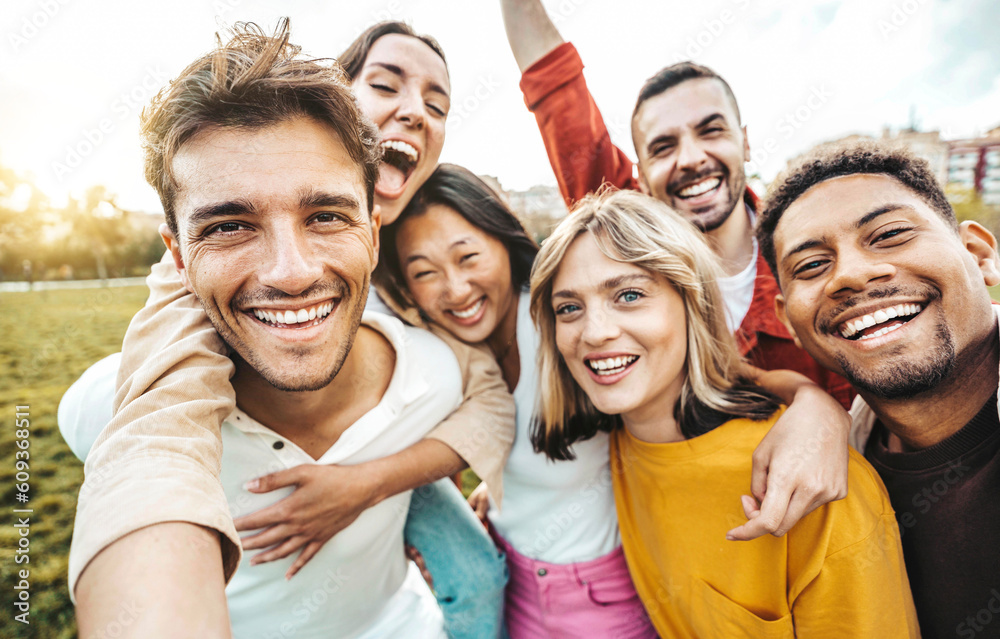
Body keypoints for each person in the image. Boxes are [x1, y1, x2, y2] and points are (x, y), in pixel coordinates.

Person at [65, 21, 513, 638]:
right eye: (229, 226)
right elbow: (157, 438)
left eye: (436, 103)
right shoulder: (162, 328)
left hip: (395, 499)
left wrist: (364, 484)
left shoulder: (434, 225)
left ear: (373, 229)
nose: (292, 271)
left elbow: (481, 386)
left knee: (478, 574)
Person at [380, 164, 861, 637]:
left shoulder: (565, 325)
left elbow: (721, 369)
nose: (456, 288)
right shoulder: (456, 350)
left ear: (503, 242)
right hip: (518, 583)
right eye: (424, 272)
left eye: (468, 258)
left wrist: (816, 406)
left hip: (601, 594)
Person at [529, 188, 920, 637]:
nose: (594, 333)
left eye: (630, 295)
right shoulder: (609, 440)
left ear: (692, 305)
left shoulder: (816, 488)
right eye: (569, 308)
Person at [499, 1, 854, 424]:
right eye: (663, 147)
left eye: (711, 130)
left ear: (744, 143)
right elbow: (559, 98)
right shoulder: (617, 236)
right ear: (642, 177)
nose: (690, 158)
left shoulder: (822, 264)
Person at [756, 139, 1000, 638]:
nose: (851, 273)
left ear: (978, 255)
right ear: (790, 323)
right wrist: (810, 398)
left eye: (888, 235)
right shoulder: (829, 471)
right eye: (811, 266)